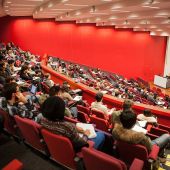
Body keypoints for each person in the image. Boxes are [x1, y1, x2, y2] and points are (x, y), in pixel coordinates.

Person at [41, 96, 105, 151]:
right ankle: (92, 155)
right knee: (101, 134)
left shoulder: (42, 120)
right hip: (76, 149)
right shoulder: (68, 127)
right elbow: (82, 144)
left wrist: (74, 128)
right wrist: (86, 134)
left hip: (57, 147)